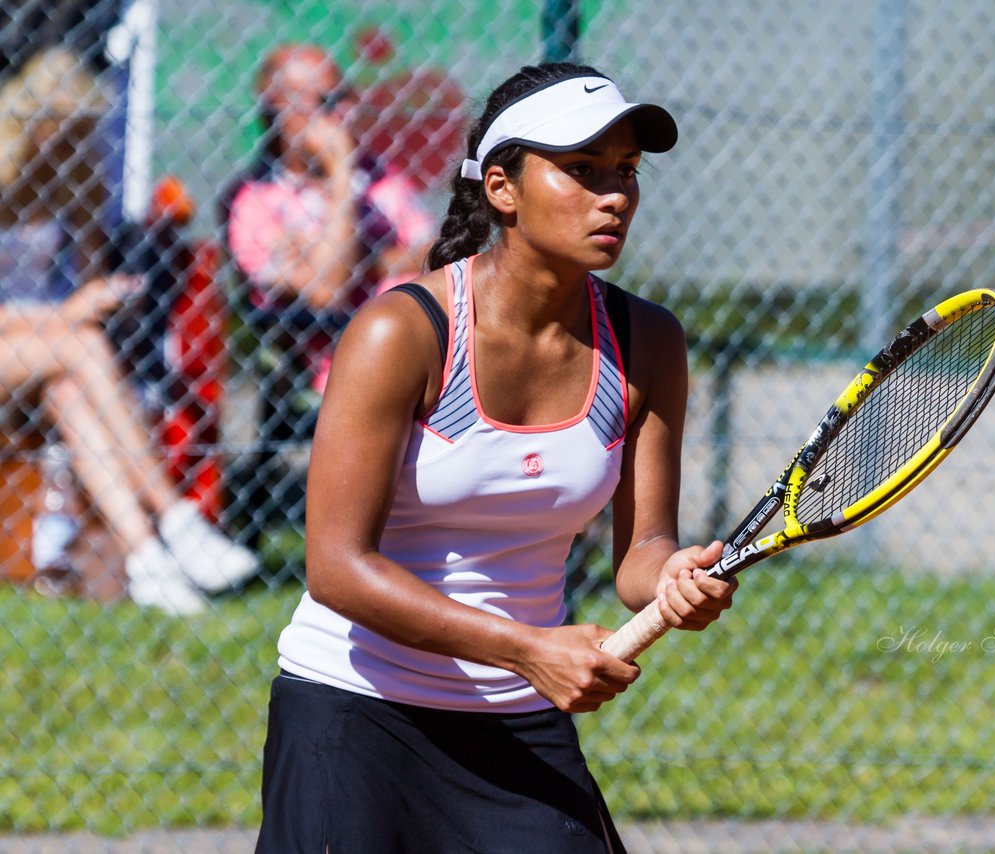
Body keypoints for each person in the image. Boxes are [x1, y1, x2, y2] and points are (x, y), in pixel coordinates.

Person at [256, 62, 735, 852]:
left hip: (518, 723)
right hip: (353, 714)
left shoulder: (650, 341)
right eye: (581, 170)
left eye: (625, 171)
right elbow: (336, 566)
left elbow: (640, 553)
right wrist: (525, 648)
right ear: (504, 188)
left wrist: (675, 578)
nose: (614, 195)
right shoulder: (401, 333)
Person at [0, 47, 259, 613]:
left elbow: (84, 282)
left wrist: (92, 303)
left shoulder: (78, 182)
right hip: (25, 339)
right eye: (66, 131)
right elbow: (68, 312)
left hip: (45, 353)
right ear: (34, 124)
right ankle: (176, 519)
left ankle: (147, 560)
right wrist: (67, 317)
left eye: (84, 132)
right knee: (80, 345)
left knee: (68, 388)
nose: (79, 144)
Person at [221, 43, 438, 543]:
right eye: (327, 100)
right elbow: (327, 291)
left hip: (433, 349)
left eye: (346, 96)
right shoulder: (254, 199)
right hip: (329, 361)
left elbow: (439, 256)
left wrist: (340, 251)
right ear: (278, 108)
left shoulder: (380, 178)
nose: (346, 113)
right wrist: (342, 178)